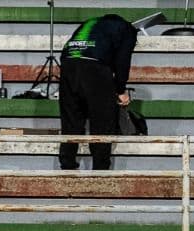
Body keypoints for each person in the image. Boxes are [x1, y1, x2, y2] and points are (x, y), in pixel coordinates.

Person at [58, 13, 138, 171]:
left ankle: (67, 165)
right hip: (95, 67)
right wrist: (120, 89)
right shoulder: (127, 29)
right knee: (102, 121)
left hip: (68, 64)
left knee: (71, 119)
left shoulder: (91, 22)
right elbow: (123, 61)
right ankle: (100, 171)